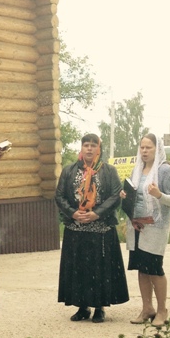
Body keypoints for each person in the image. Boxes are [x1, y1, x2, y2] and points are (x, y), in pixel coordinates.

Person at [55, 133, 129, 323]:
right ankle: (82, 307)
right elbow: (60, 196)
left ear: (99, 149)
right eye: (86, 145)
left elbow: (114, 196)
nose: (89, 148)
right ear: (81, 148)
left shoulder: (109, 171)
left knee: (99, 268)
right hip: (76, 228)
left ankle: (99, 307)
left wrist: (97, 213)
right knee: (78, 268)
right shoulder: (69, 170)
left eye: (93, 145)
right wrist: (72, 212)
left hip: (101, 229)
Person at [123, 133, 170, 327]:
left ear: (158, 149)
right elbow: (134, 195)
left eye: (149, 147)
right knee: (141, 269)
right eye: (142, 147)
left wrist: (159, 194)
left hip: (156, 227)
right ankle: (147, 308)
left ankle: (162, 310)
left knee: (155, 269)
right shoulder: (136, 170)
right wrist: (125, 196)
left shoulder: (164, 171)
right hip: (137, 225)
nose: (145, 151)